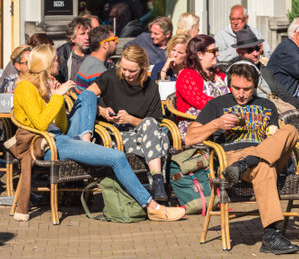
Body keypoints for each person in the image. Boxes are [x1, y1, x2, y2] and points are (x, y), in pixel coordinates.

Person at [13, 44, 185, 222]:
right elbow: (41, 125)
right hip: (48, 145)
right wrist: (58, 96)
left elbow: (62, 125)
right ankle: (153, 207)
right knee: (117, 157)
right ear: (47, 63)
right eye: (57, 59)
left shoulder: (44, 87)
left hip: (62, 139)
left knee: (88, 96)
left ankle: (86, 141)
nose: (60, 62)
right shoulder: (26, 88)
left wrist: (56, 96)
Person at [184, 61, 299, 255]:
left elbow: (276, 141)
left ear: (254, 87)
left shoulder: (267, 105)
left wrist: (273, 135)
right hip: (233, 158)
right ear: (230, 85)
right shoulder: (217, 104)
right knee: (264, 167)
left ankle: (250, 161)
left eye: (247, 89)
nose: (241, 93)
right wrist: (216, 124)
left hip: (262, 154)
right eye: (236, 88)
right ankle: (271, 235)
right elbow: (189, 138)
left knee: (291, 129)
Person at [87, 44, 171, 202]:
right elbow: (85, 97)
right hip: (112, 137)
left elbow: (154, 123)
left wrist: (130, 119)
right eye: (123, 68)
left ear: (143, 67)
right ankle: (158, 183)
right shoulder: (110, 77)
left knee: (153, 127)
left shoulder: (150, 87)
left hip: (141, 136)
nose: (126, 74)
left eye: (132, 70)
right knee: (162, 140)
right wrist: (101, 110)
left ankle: (156, 185)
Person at [230, 28, 299, 112]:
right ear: (239, 52)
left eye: (257, 49)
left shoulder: (264, 69)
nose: (256, 53)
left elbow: (281, 93)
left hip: (277, 107)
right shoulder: (235, 72)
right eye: (250, 50)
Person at [175, 35, 228, 137]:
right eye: (213, 51)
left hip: (222, 120)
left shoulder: (218, 73)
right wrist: (229, 108)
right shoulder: (187, 76)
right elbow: (201, 102)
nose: (217, 54)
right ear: (200, 54)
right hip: (195, 127)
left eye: (217, 50)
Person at [75, 25, 118, 94]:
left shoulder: (89, 60)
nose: (116, 42)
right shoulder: (98, 71)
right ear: (105, 44)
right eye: (114, 40)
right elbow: (103, 101)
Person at [56, 17, 92, 83]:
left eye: (89, 33)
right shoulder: (62, 53)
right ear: (72, 38)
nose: (87, 37)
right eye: (82, 34)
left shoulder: (95, 53)